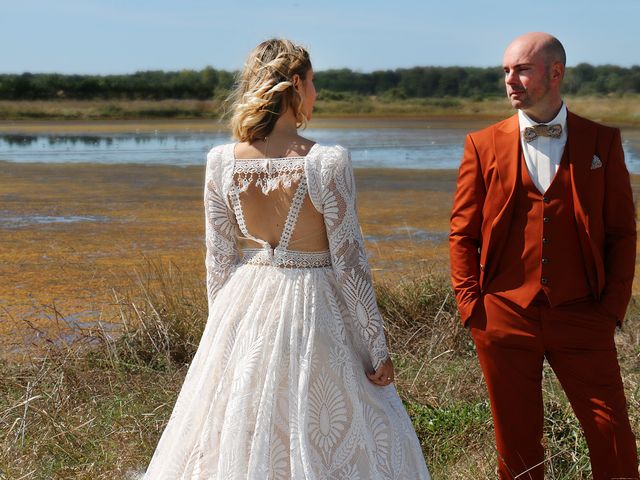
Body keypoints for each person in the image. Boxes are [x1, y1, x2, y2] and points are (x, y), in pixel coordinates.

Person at [143, 39, 430, 479]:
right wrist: (377, 349)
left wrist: (224, 336)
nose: (316, 93)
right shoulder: (327, 161)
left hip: (247, 297)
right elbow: (350, 262)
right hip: (316, 301)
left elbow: (218, 263)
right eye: (313, 83)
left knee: (249, 424)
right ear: (296, 84)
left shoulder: (221, 162)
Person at [449, 31, 638, 479]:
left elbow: (621, 234)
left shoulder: (601, 142)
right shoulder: (482, 143)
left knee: (612, 435)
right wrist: (472, 308)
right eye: (506, 71)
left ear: (556, 73)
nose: (510, 80)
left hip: (582, 314)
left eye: (522, 69)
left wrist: (610, 309)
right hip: (503, 316)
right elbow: (463, 233)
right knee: (516, 445)